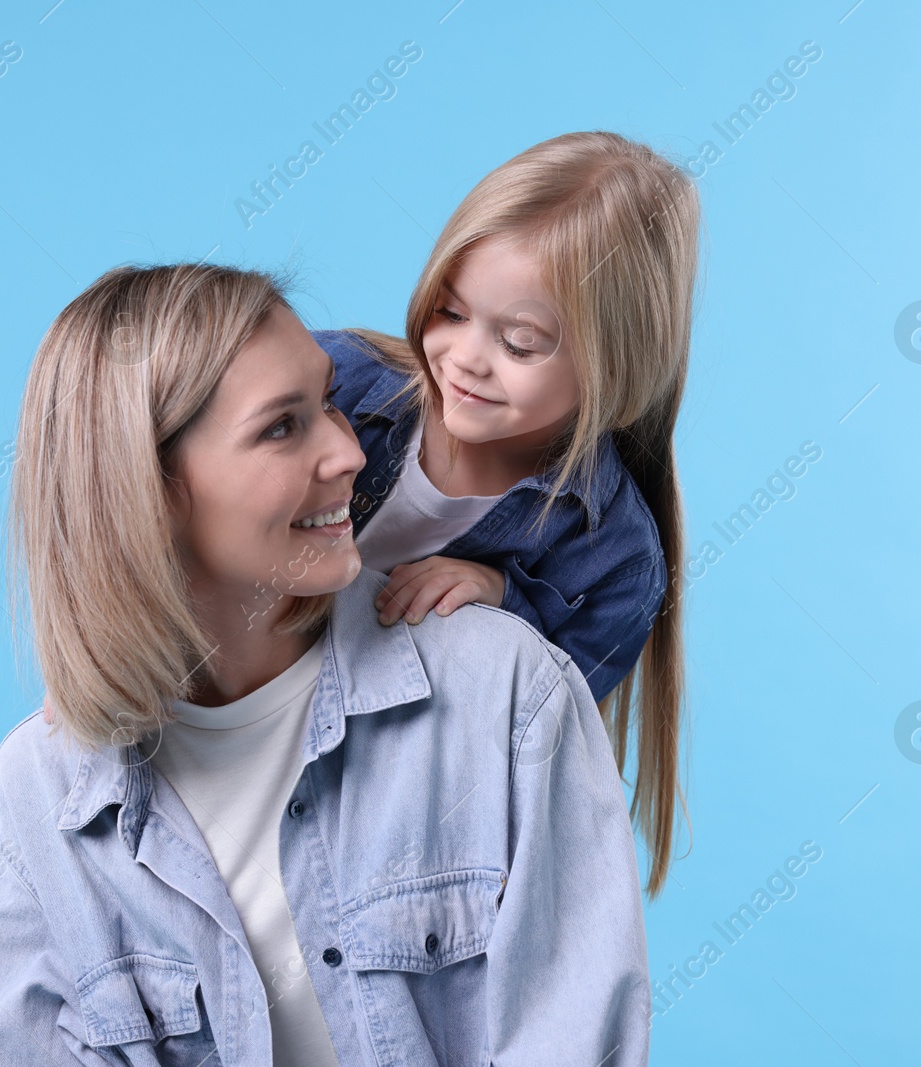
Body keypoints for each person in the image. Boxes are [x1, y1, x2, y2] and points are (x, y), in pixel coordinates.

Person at [0, 262, 651, 1065]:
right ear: (147, 492)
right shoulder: (36, 803)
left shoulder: (508, 695)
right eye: (282, 426)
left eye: (328, 399)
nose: (349, 452)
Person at [314, 130, 700, 897]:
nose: (463, 356)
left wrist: (502, 604)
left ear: (617, 366)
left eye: (519, 342)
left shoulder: (614, 562)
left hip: (381, 836)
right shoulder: (334, 383)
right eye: (450, 311)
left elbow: (524, 751)